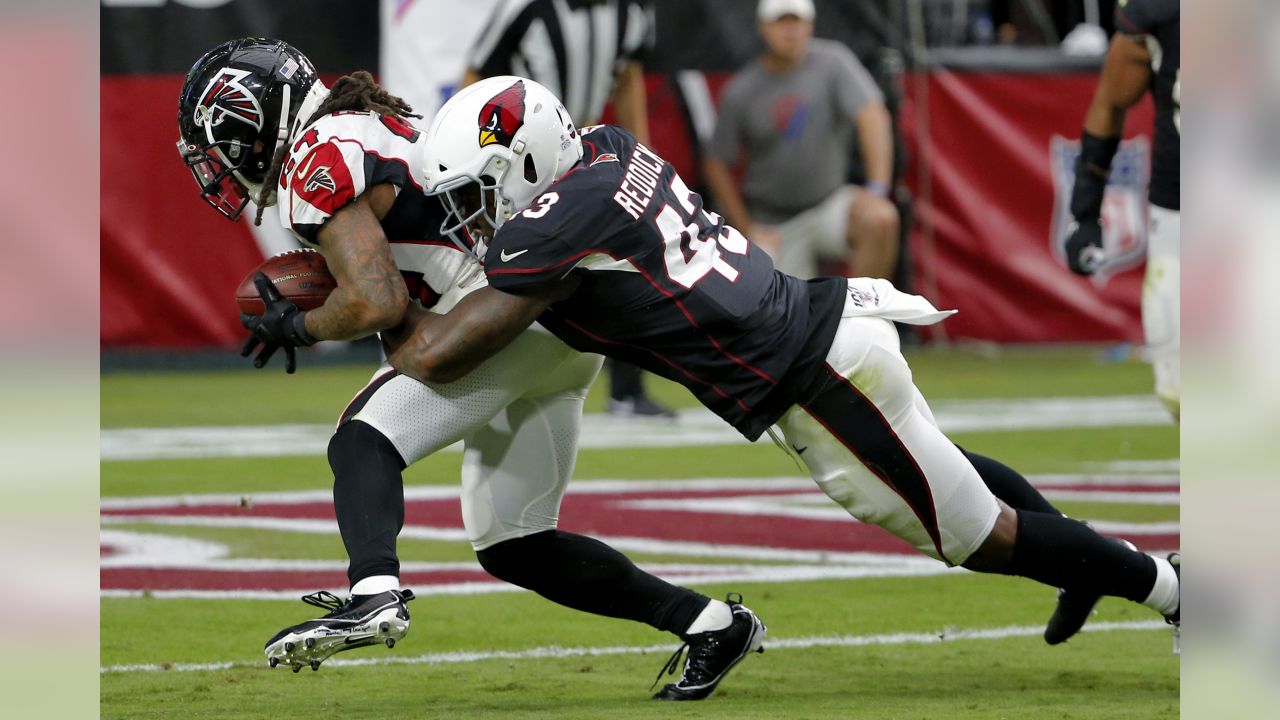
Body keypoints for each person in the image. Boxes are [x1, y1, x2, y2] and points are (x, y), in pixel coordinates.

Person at [384, 75, 1181, 658]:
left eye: (477, 193)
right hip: (828, 325)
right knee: (944, 469)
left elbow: (437, 355)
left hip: (811, 377)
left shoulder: (552, 227)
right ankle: (1086, 561)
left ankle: (1171, 590)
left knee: (979, 536)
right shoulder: (608, 150)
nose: (470, 217)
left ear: (523, 165)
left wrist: (362, 300)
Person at [178, 38, 765, 698]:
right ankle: (712, 623)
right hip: (552, 325)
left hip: (499, 315)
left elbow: (379, 299)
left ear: (253, 121)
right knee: (513, 540)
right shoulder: (362, 122)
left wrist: (302, 323)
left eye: (222, 141)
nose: (221, 162)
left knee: (364, 438)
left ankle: (373, 592)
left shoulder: (315, 160)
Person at [465, 0, 676, 418]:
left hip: (586, 154)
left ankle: (626, 388)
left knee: (624, 260)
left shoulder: (631, 10)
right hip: (520, 163)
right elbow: (476, 78)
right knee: (516, 269)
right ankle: (486, 379)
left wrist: (641, 153)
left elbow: (628, 77)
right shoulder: (523, 8)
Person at [702, 0, 899, 281]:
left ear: (810, 25)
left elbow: (873, 116)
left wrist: (877, 188)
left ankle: (864, 314)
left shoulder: (834, 61)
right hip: (772, 223)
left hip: (828, 204)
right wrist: (745, 226)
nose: (790, 31)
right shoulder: (740, 90)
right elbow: (716, 162)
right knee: (781, 315)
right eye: (781, 21)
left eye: (796, 21)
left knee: (880, 218)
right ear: (763, 28)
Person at [1062, 0, 1179, 421]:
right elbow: (1111, 102)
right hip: (1180, 213)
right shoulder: (1161, 9)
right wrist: (1086, 211)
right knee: (1181, 391)